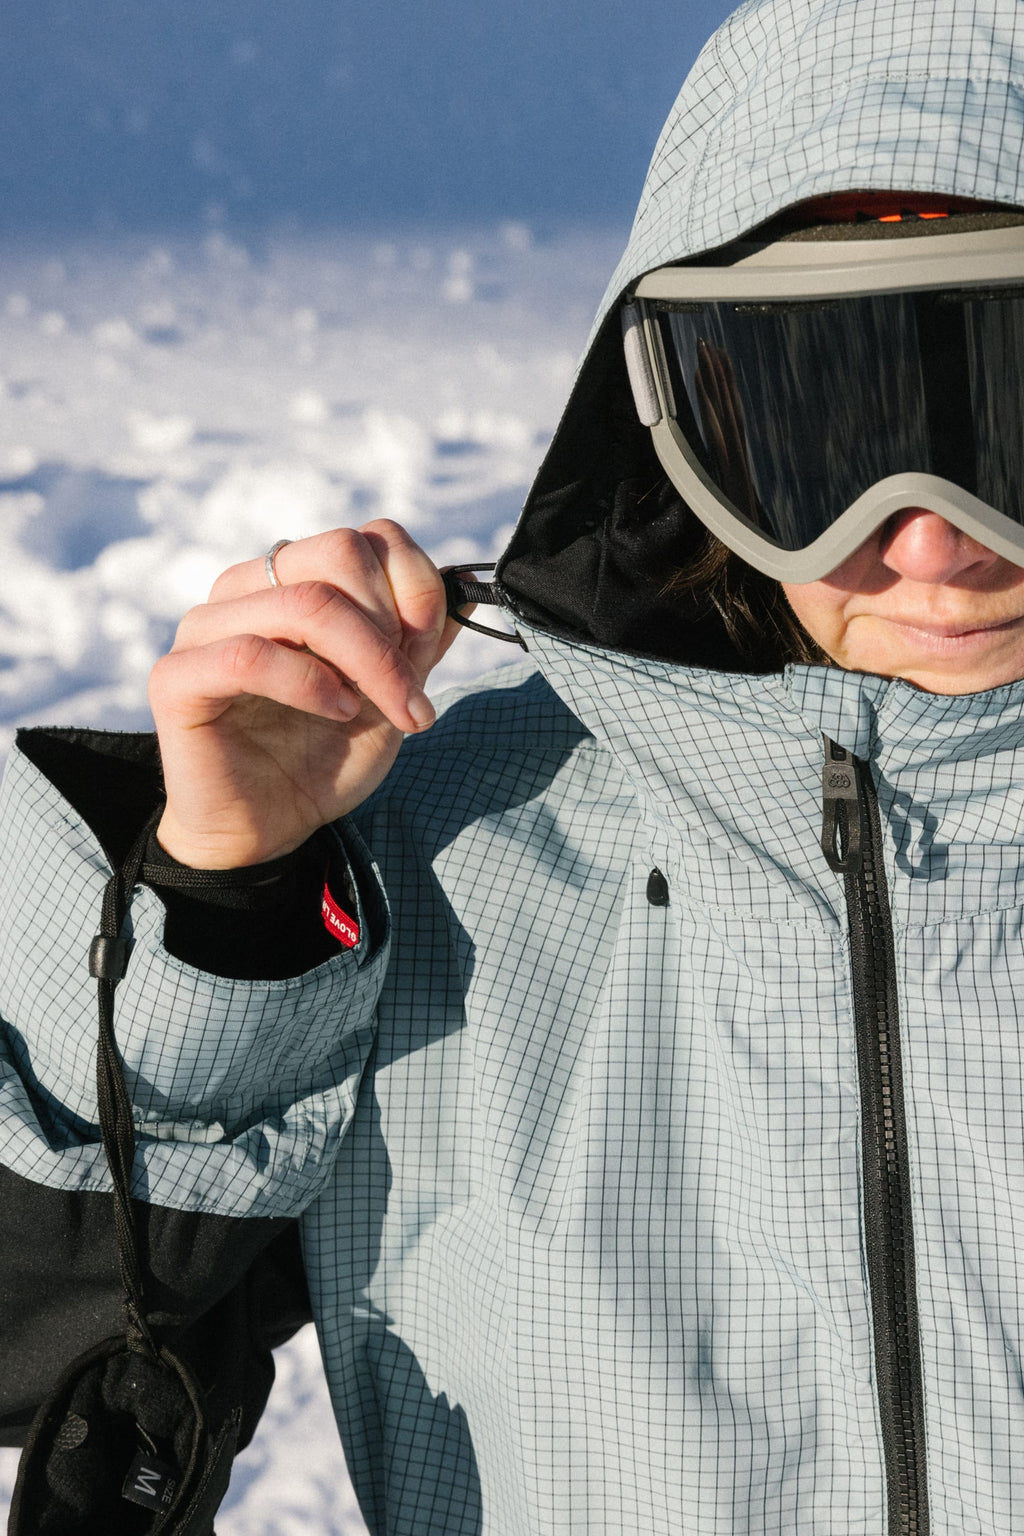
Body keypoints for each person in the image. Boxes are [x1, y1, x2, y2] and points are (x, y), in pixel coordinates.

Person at [4, 0, 1024, 1529]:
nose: (928, 540)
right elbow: (41, 1337)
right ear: (678, 420)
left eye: (1005, 412)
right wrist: (232, 912)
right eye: (827, 427)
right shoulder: (455, 862)